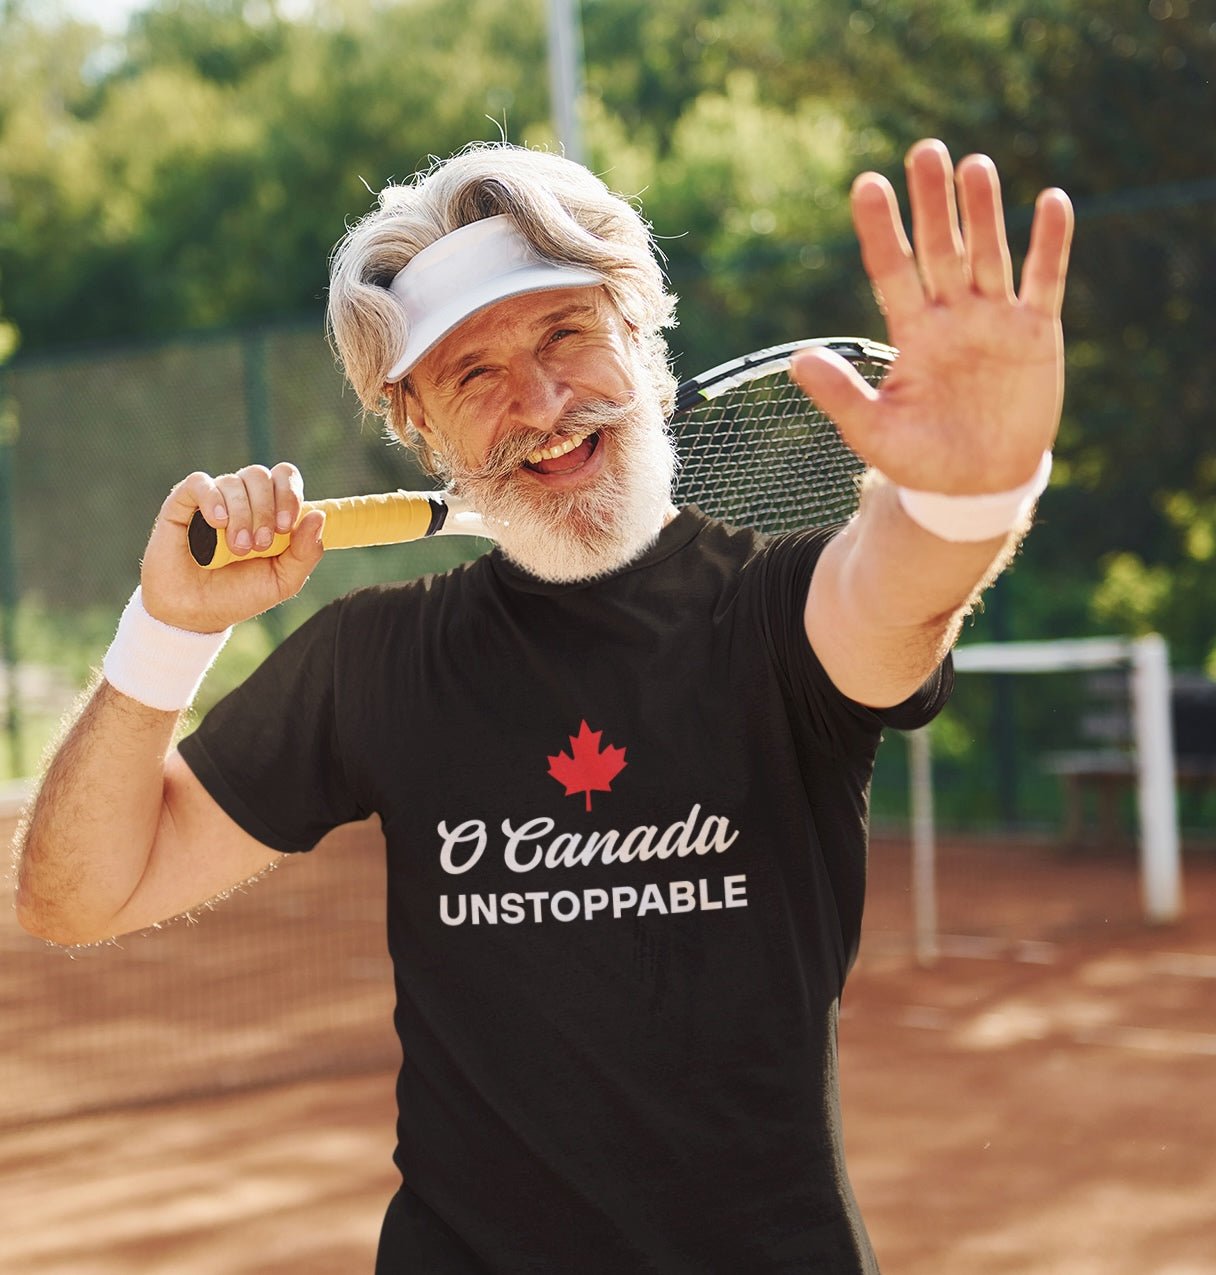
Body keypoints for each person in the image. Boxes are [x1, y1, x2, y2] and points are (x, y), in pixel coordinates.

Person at [15, 138, 1072, 1272]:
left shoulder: (780, 618)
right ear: (417, 426)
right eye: (472, 374)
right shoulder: (375, 661)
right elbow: (78, 895)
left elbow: (900, 593)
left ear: (644, 346)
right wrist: (167, 631)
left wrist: (970, 495)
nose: (539, 400)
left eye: (566, 333)